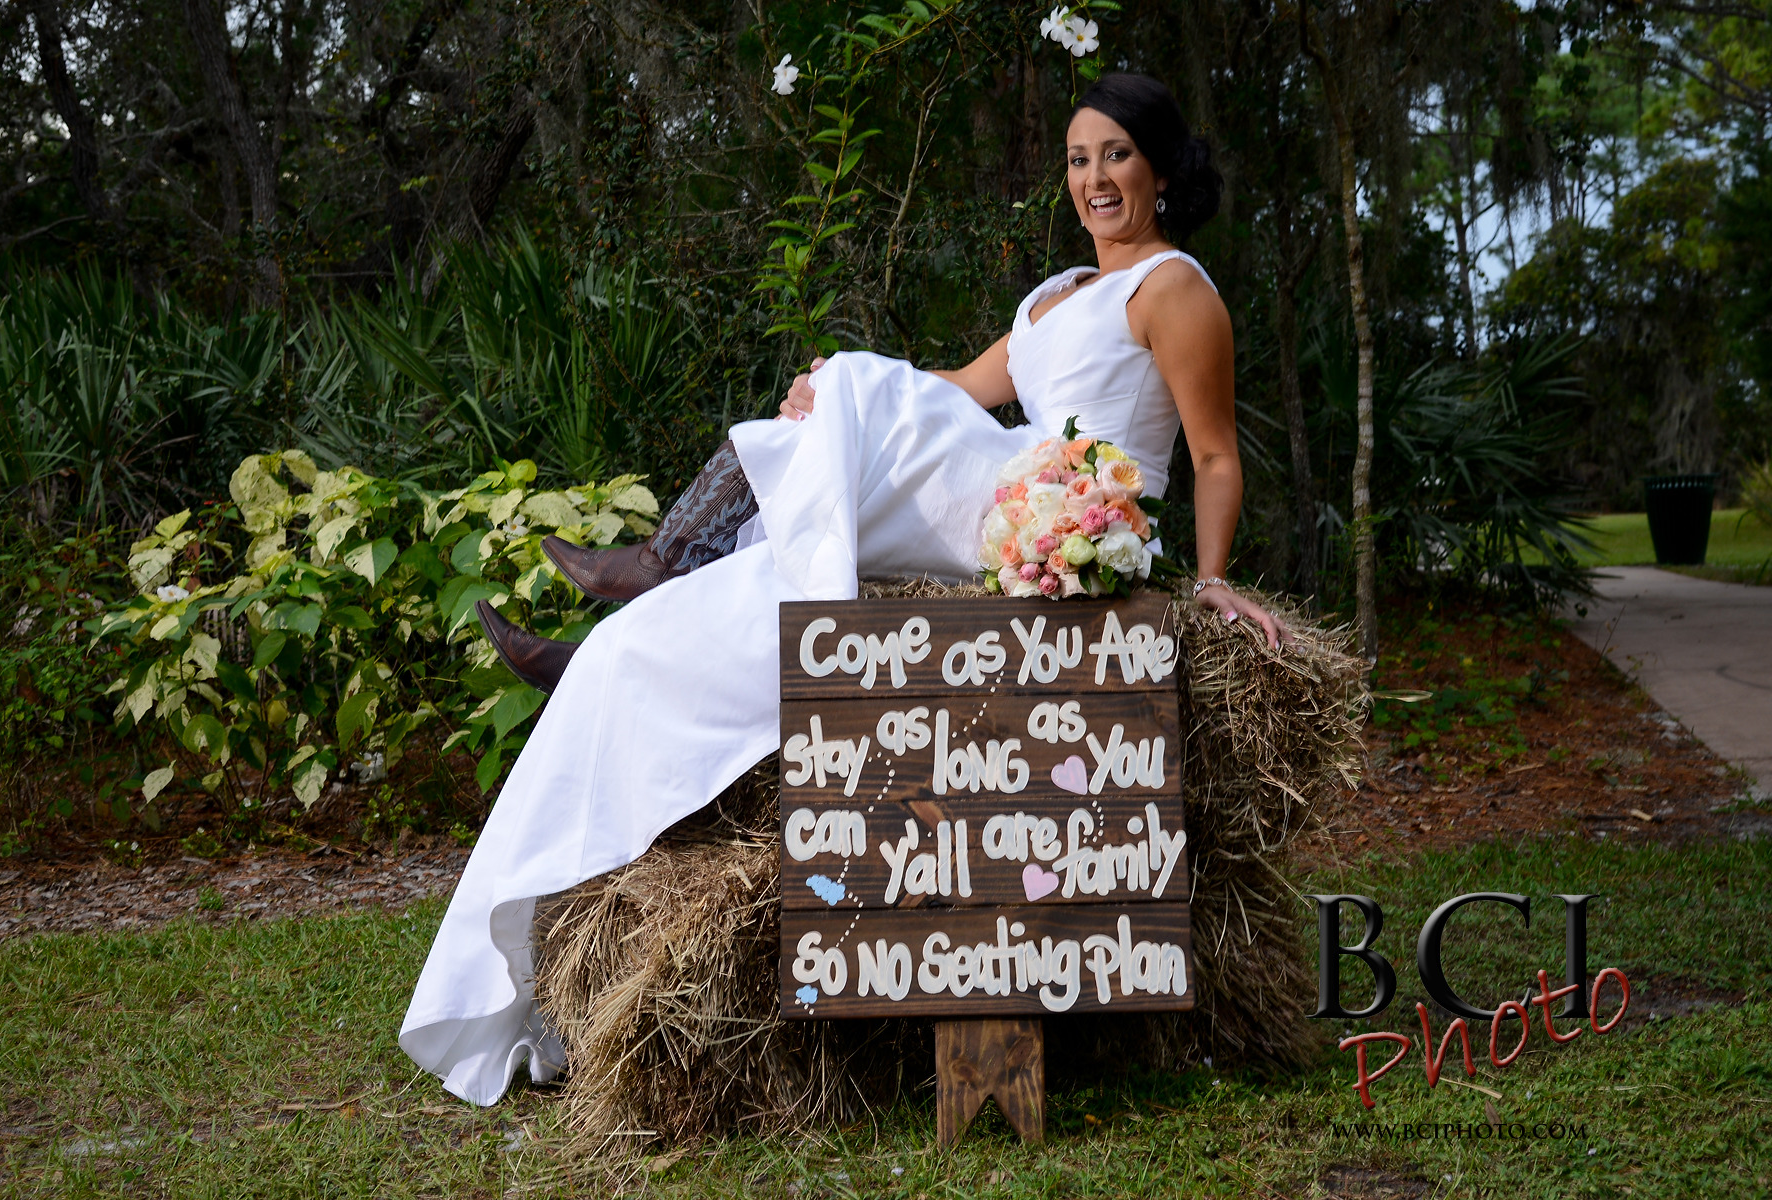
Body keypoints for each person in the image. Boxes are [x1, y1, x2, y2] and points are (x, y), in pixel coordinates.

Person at [401, 73, 1289, 1105]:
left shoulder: (1173, 289)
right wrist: (825, 395)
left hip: (1070, 509)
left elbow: (1213, 454)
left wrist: (1210, 579)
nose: (1094, 179)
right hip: (1010, 485)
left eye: (1117, 157)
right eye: (1078, 159)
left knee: (861, 383)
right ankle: (637, 615)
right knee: (842, 382)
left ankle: (664, 559)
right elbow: (961, 390)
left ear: (1162, 169)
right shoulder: (1058, 294)